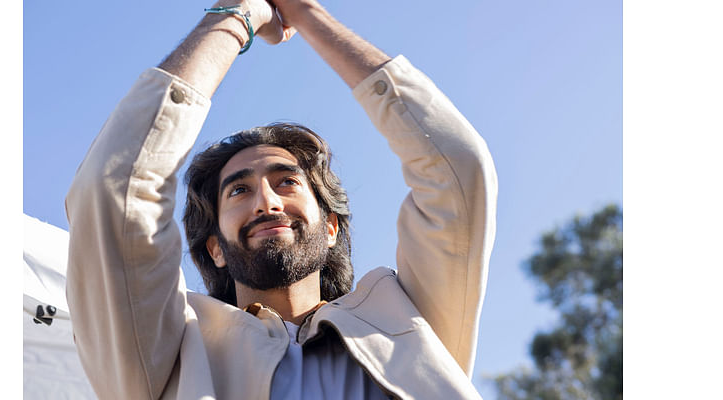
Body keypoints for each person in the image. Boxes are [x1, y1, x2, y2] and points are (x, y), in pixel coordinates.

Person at [65, 0, 497, 398]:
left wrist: (303, 12)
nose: (266, 202)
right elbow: (115, 189)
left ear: (330, 227)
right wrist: (239, 13)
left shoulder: (410, 321)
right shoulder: (172, 350)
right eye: (238, 190)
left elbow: (456, 170)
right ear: (214, 248)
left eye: (287, 182)